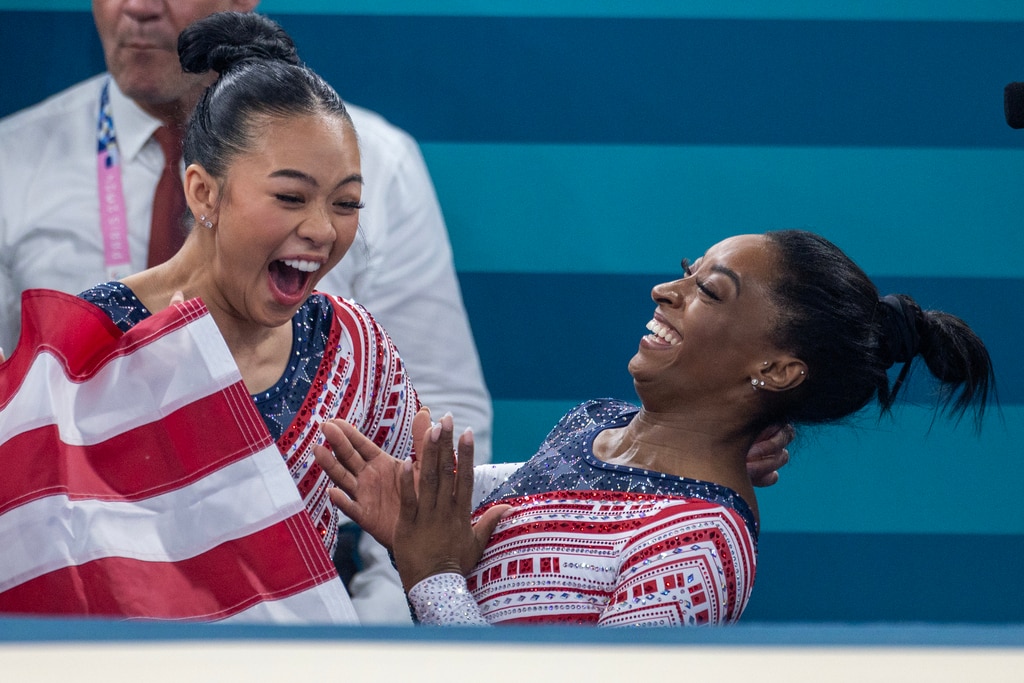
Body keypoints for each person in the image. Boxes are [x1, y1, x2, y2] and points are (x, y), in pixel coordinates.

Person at [0, 0, 490, 623]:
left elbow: (439, 510)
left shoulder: (356, 349)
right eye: (289, 197)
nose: (320, 229)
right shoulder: (86, 351)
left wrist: (413, 581)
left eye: (346, 204)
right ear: (203, 191)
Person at [316, 229, 995, 627]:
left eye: (710, 291)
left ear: (778, 369)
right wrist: (416, 506)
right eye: (686, 274)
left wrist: (432, 579)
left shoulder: (700, 547)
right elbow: (484, 507)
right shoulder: (592, 424)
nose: (665, 292)